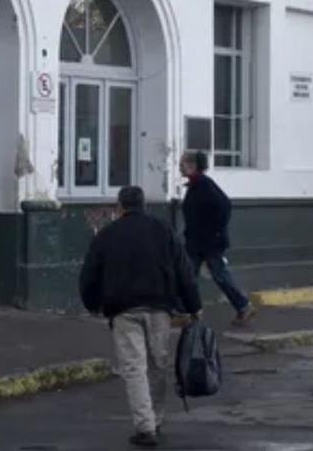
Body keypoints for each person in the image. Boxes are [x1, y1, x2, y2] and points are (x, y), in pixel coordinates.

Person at [80, 185, 202, 449]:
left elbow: (90, 273)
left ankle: (144, 426)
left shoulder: (107, 234)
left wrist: (92, 303)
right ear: (144, 204)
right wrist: (194, 306)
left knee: (134, 367)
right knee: (159, 364)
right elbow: (184, 270)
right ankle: (155, 419)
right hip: (160, 307)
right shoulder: (163, 231)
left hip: (124, 310)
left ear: (120, 206)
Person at [180, 150, 255, 326]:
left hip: (209, 242)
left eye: (182, 163)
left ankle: (243, 306)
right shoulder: (195, 184)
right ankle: (188, 312)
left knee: (218, 275)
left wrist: (215, 232)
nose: (180, 167)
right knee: (188, 275)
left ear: (192, 165)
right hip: (197, 242)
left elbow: (224, 206)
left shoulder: (204, 184)